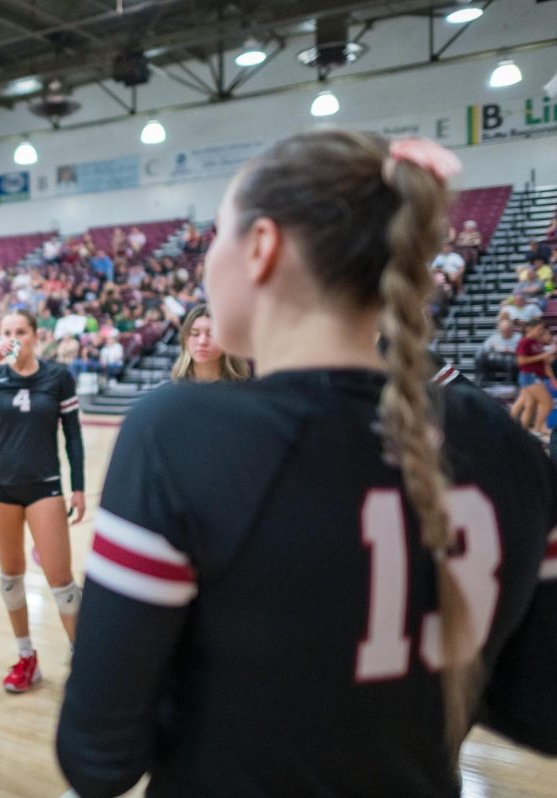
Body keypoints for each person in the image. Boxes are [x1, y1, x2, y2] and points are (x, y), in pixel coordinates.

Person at [58, 132, 557, 796]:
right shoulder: (506, 445)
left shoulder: (177, 434)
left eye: (216, 238)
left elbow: (98, 757)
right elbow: (541, 709)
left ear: (261, 247)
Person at [0, 310, 86, 693]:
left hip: (44, 486)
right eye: (6, 332)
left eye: (20, 332)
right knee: (10, 578)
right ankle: (27, 658)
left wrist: (78, 486)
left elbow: (73, 437)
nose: (13, 338)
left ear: (35, 336)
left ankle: (84, 657)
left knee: (61, 581)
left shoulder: (58, 376)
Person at [168, 304, 250, 382]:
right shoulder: (170, 394)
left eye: (211, 334)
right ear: (185, 340)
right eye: (195, 334)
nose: (202, 341)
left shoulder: (246, 392)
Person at [511, 318, 556, 436]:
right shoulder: (524, 342)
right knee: (548, 403)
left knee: (529, 406)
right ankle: (537, 430)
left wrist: (552, 378)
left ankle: (520, 433)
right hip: (530, 376)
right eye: (539, 329)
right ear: (530, 329)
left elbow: (544, 363)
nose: (541, 331)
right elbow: (521, 361)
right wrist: (542, 356)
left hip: (536, 376)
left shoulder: (536, 342)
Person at [474, 316, 521, 385]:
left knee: (511, 359)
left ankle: (510, 382)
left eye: (507, 330)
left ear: (511, 329)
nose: (505, 332)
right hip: (495, 359)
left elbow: (522, 351)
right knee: (480, 355)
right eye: (503, 330)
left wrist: (506, 350)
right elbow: (485, 348)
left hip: (511, 360)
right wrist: (493, 348)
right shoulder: (494, 337)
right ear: (499, 330)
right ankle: (482, 379)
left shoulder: (518, 337)